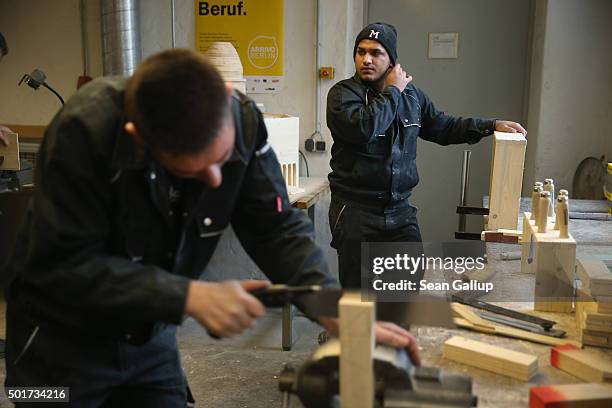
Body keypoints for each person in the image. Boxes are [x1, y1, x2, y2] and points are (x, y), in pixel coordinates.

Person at [4, 49, 419, 407]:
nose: (217, 181)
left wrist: (327, 303)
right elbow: (65, 266)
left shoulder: (243, 120)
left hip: (150, 335)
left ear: (226, 97)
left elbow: (275, 226)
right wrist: (187, 295)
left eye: (222, 160)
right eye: (196, 172)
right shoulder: (84, 131)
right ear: (138, 138)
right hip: (57, 347)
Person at [326, 23, 527, 289]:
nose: (366, 59)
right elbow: (365, 128)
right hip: (356, 212)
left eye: (376, 53)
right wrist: (393, 91)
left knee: (406, 283)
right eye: (361, 52)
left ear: (391, 61)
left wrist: (490, 125)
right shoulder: (342, 95)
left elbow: (444, 127)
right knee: (358, 295)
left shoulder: (412, 96)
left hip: (399, 211)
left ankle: (395, 328)